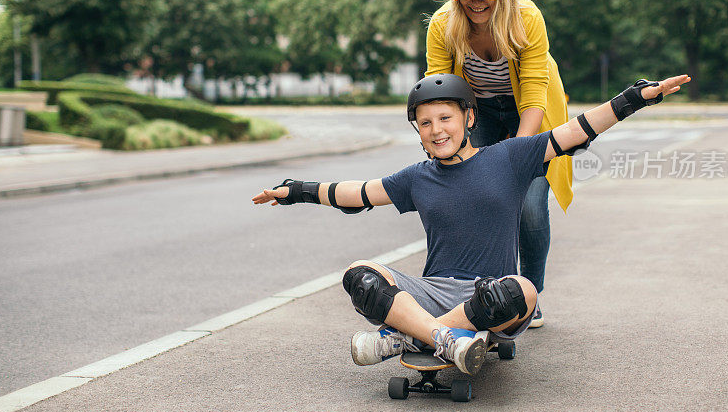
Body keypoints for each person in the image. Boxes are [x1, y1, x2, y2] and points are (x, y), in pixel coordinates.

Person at [252, 73, 690, 376]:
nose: (436, 130)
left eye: (445, 118)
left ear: (469, 118)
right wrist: (298, 189)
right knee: (360, 275)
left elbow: (576, 131)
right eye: (425, 123)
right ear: (418, 132)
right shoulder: (416, 178)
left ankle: (410, 336)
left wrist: (636, 98)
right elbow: (356, 194)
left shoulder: (509, 157)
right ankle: (442, 337)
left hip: (489, 291)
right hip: (435, 288)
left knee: (524, 291)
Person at [425, 0, 571, 327]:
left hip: (531, 109)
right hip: (480, 112)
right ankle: (480, 293)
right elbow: (437, 86)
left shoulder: (526, 17)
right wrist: (438, 135)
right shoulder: (443, 23)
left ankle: (527, 298)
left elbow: (536, 85)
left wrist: (521, 153)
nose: (475, 2)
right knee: (482, 200)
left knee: (529, 207)